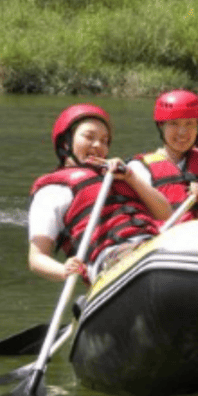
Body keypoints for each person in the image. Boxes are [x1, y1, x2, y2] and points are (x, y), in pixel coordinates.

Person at [28, 104, 173, 284]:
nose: (98, 145)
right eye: (89, 137)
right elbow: (36, 258)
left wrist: (131, 177)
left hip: (153, 244)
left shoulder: (123, 177)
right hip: (110, 259)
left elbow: (165, 214)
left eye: (105, 141)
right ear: (66, 142)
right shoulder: (53, 190)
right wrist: (64, 270)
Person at [127, 89, 198, 221]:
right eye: (173, 123)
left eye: (190, 124)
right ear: (161, 126)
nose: (182, 132)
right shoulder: (138, 169)